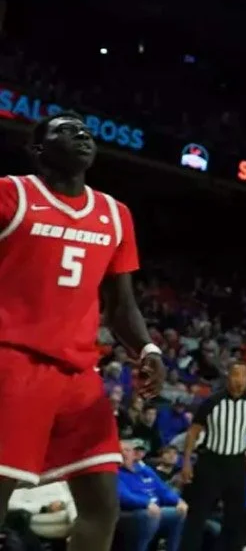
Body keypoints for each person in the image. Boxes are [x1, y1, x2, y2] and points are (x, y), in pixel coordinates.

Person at [0, 113, 166, 551]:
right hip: (14, 363)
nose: (81, 135)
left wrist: (147, 347)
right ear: (39, 151)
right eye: (65, 131)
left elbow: (121, 303)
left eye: (85, 131)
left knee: (101, 505)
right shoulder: (11, 194)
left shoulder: (115, 215)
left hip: (79, 375)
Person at [179, 362, 246, 551]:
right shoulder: (212, 401)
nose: (239, 380)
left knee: (235, 517)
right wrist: (186, 462)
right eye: (235, 375)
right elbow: (193, 433)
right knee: (198, 515)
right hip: (210, 461)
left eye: (243, 376)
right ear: (228, 377)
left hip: (237, 463)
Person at [115, 439, 187, 551]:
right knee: (150, 515)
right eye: (123, 450)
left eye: (129, 450)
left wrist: (178, 501)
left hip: (156, 509)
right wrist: (146, 503)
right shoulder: (115, 473)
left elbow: (163, 490)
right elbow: (123, 496)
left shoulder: (145, 470)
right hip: (132, 512)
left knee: (180, 512)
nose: (126, 453)